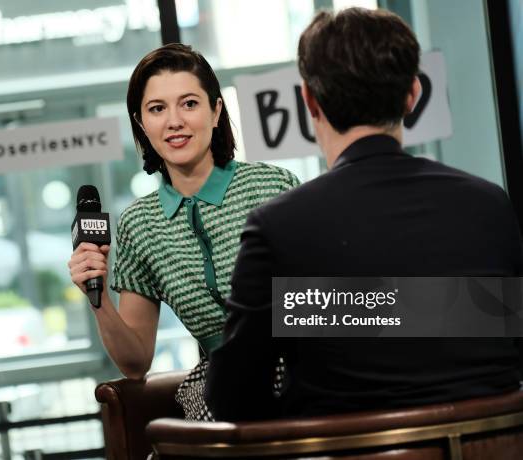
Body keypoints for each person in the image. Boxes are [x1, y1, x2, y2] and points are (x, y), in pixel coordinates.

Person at [205, 7, 523, 421]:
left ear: (309, 101)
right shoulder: (489, 205)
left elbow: (233, 397)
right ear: (413, 94)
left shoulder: (280, 228)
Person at [68, 43, 299, 420]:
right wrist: (99, 300)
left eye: (189, 103)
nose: (174, 121)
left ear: (216, 111)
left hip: (299, 370)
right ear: (141, 124)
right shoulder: (138, 225)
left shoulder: (272, 186)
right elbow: (136, 362)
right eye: (157, 109)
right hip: (220, 390)